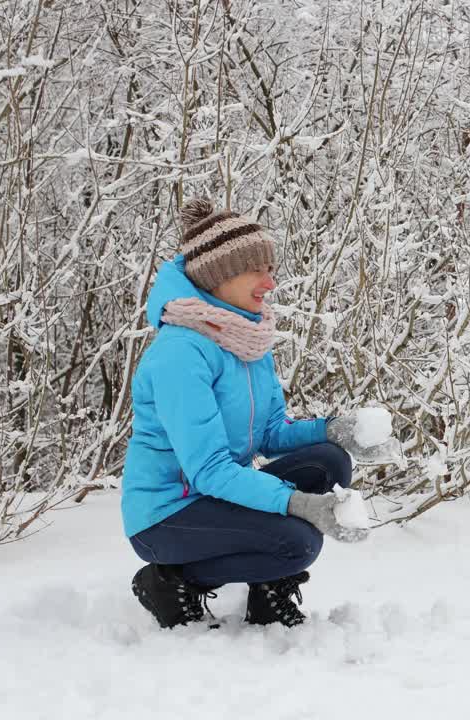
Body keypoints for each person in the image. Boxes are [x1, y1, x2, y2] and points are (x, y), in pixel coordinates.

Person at [122, 198, 380, 629]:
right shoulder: (180, 355)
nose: (270, 283)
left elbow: (271, 432)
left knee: (329, 460)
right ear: (217, 276)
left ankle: (267, 596)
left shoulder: (245, 337)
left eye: (271, 269)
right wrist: (297, 504)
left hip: (215, 495)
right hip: (169, 514)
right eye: (256, 271)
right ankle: (167, 580)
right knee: (297, 543)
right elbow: (209, 471)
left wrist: (335, 430)